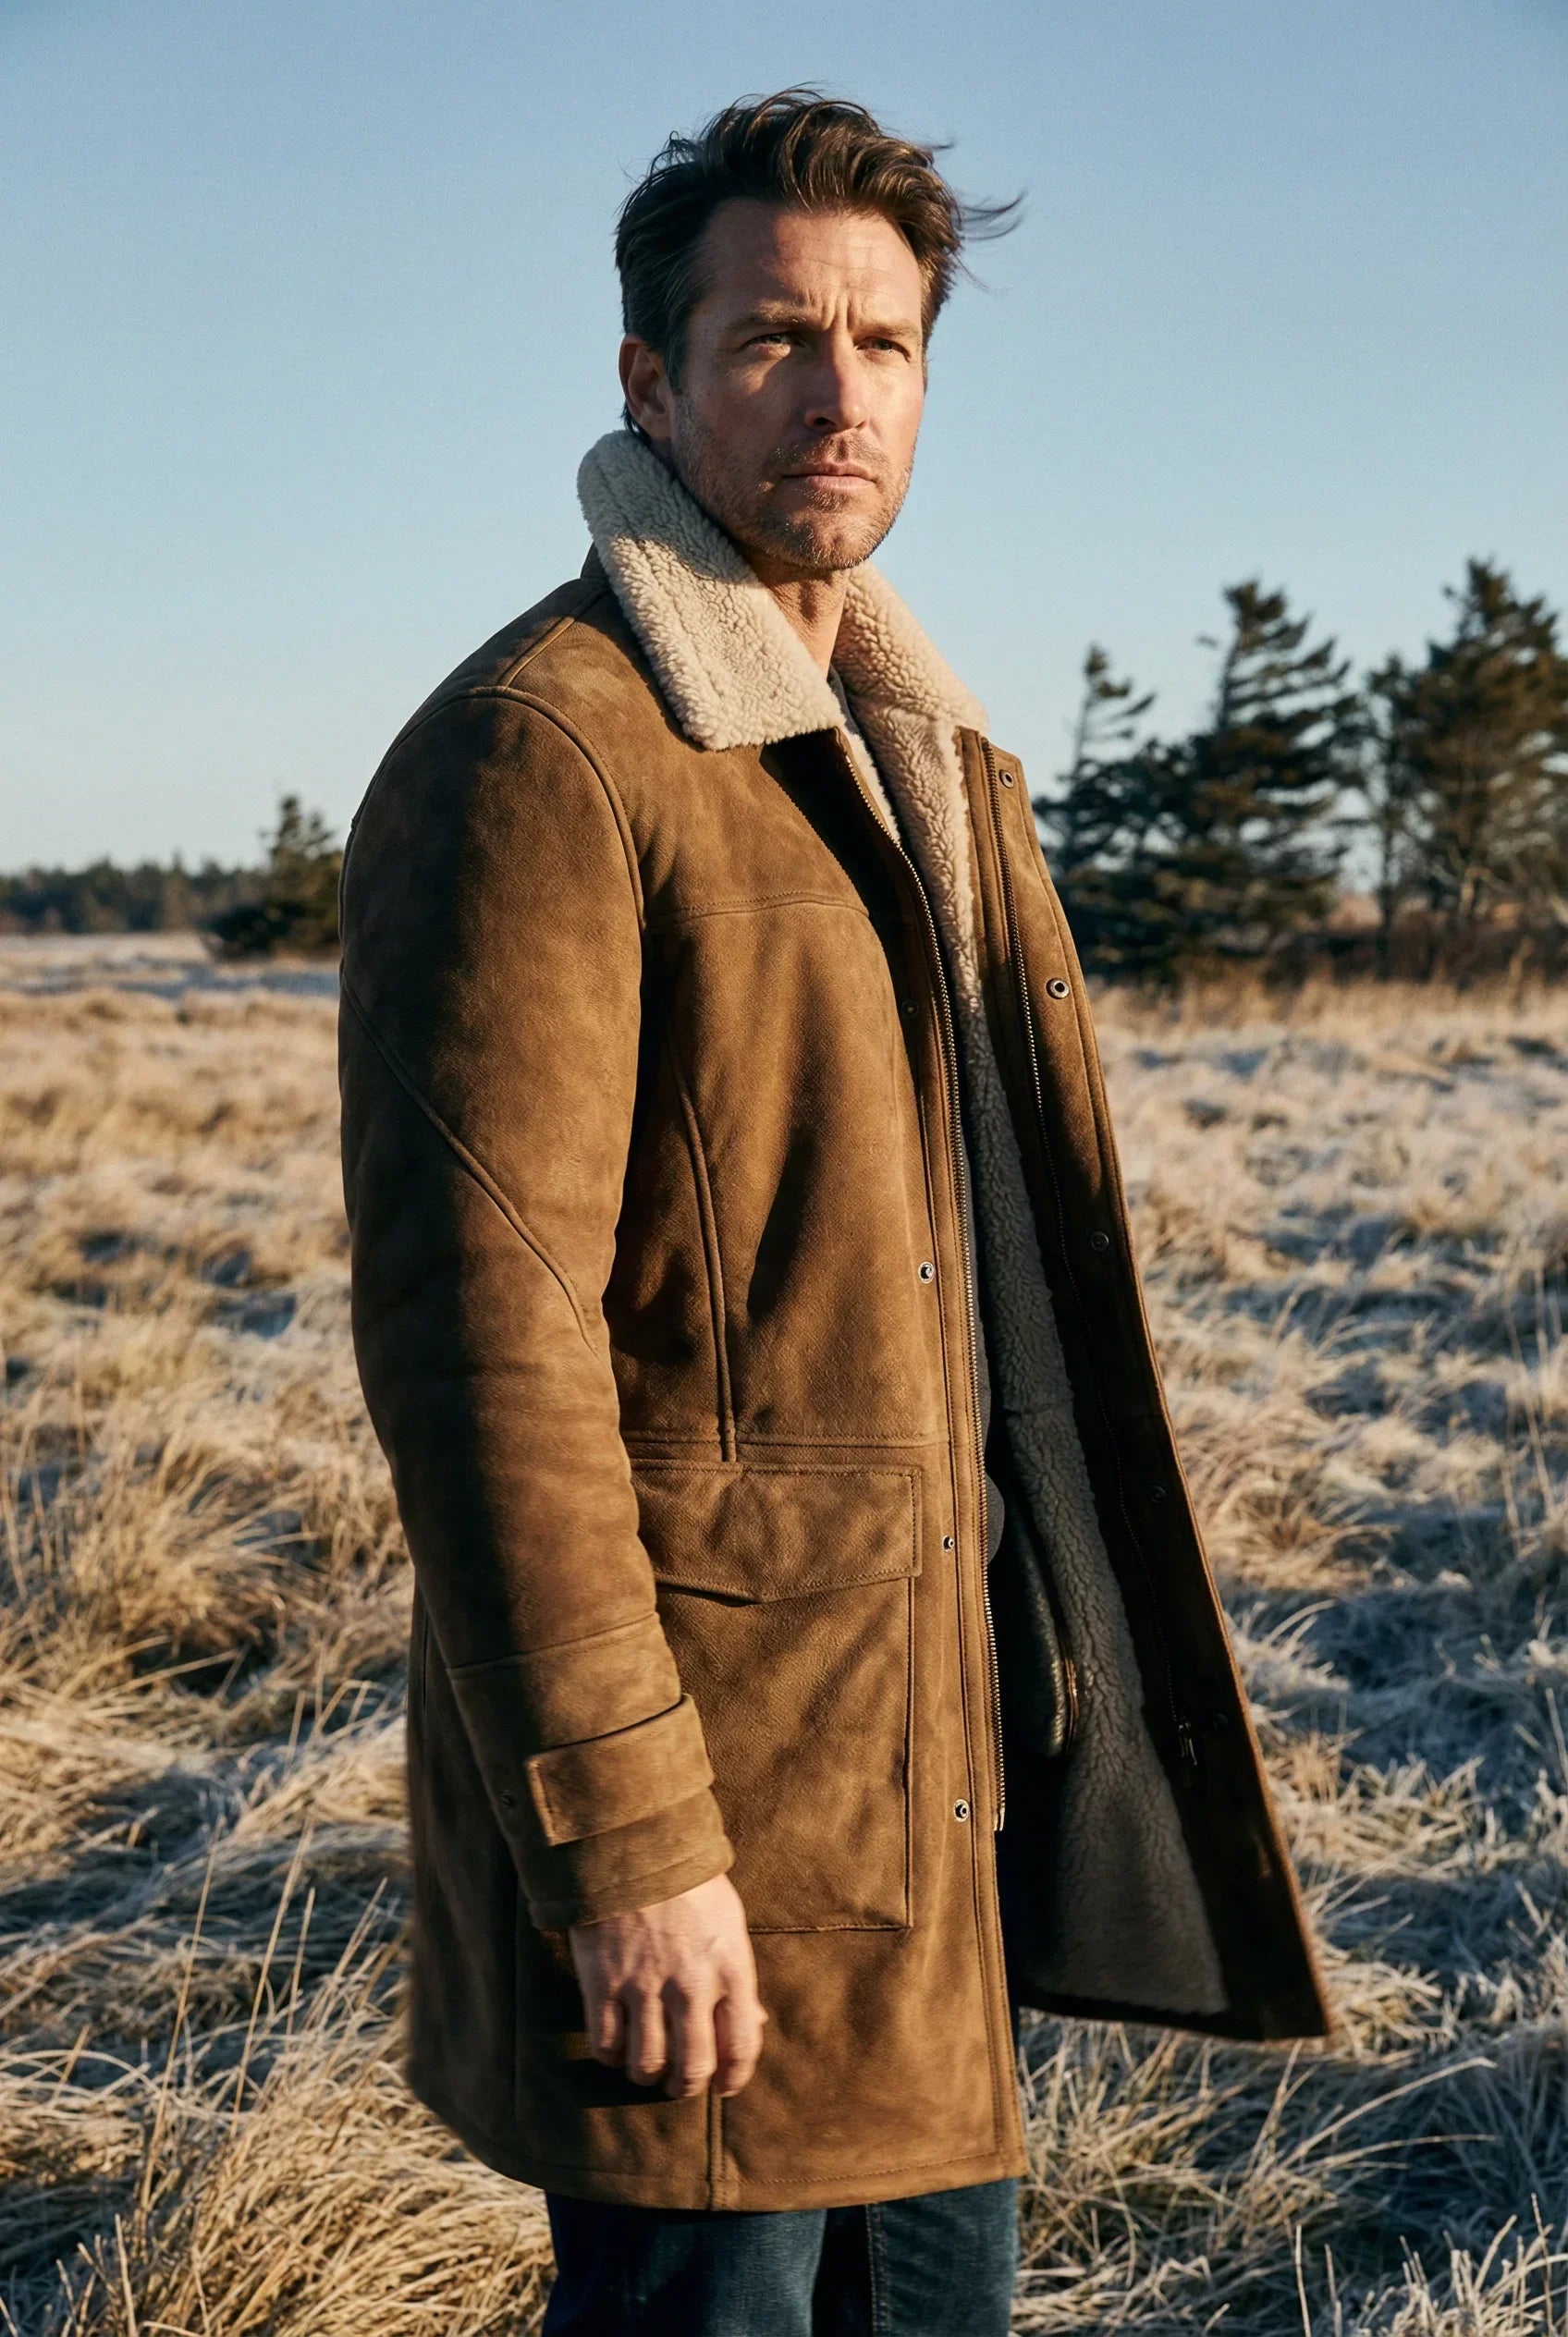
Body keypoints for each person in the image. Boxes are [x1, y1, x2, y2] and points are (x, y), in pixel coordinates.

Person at [337, 88, 1329, 2337]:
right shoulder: (554, 750)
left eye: (883, 344)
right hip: (713, 1835)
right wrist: (631, 1841)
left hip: (927, 1811)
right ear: (648, 379)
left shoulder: (909, 747)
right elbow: (484, 1351)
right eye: (774, 334)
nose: (837, 389)